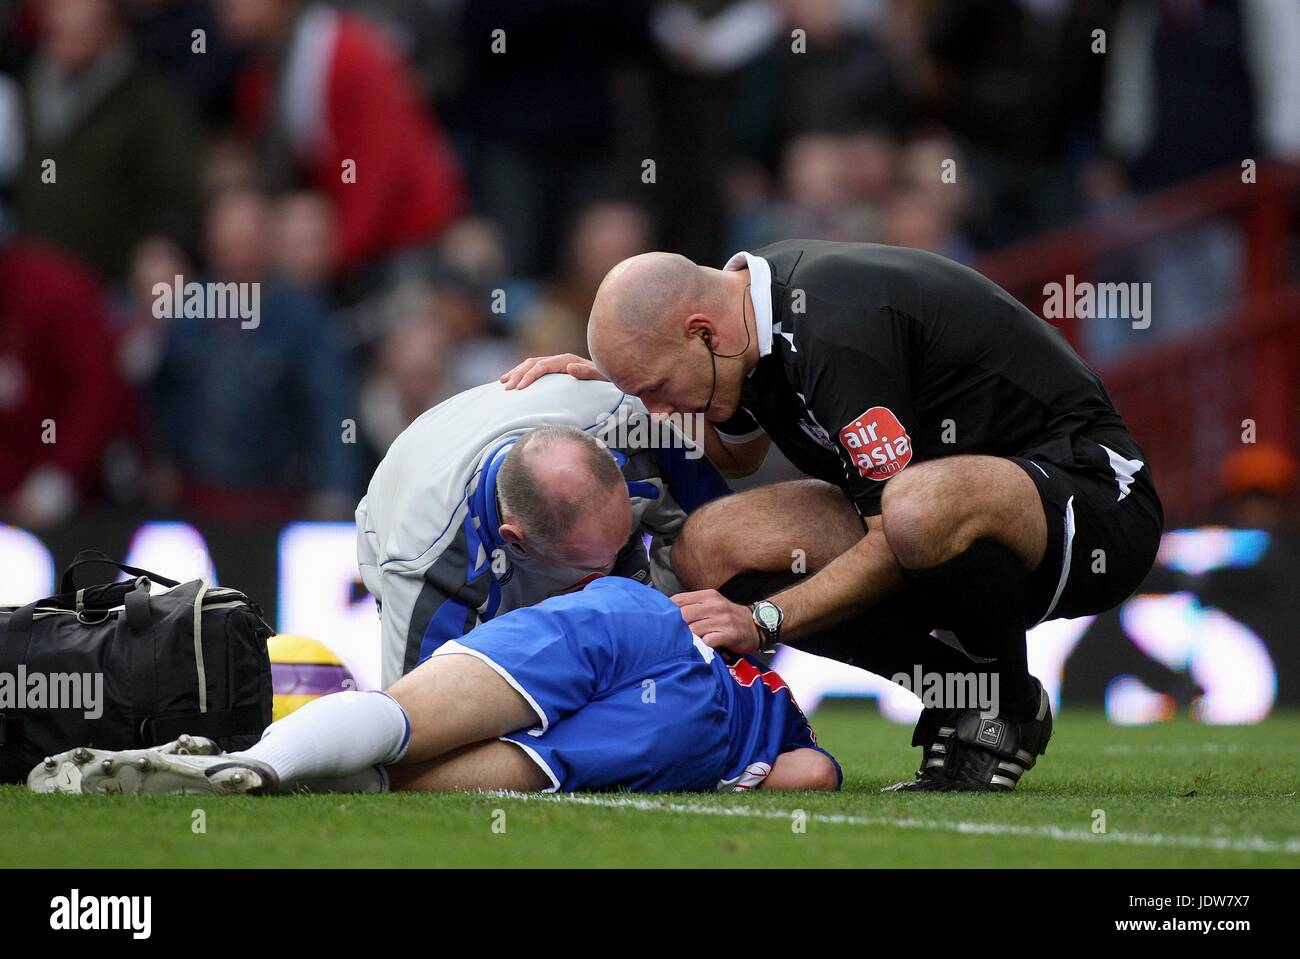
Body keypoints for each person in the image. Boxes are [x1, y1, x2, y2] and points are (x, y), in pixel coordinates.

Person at [503, 239, 1164, 792]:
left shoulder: (831, 327)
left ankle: (1006, 707)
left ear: (700, 332)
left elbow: (889, 530)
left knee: (912, 506)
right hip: (953, 515)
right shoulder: (747, 321)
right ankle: (966, 692)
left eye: (656, 390)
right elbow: (739, 453)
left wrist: (765, 620)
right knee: (712, 545)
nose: (661, 412)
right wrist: (612, 386)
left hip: (1096, 497)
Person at [29, 577, 841, 796]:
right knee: (467, 771)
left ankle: (271, 756)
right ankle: (271, 773)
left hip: (634, 613)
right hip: (695, 729)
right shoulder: (780, 719)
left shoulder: (699, 611)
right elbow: (812, 773)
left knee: (406, 714)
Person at [357, 376, 730, 688]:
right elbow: (416, 726)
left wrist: (683, 623)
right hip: (403, 508)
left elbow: (730, 540)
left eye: (624, 540)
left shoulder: (634, 423)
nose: (606, 577)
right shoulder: (423, 562)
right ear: (515, 538)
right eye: (596, 561)